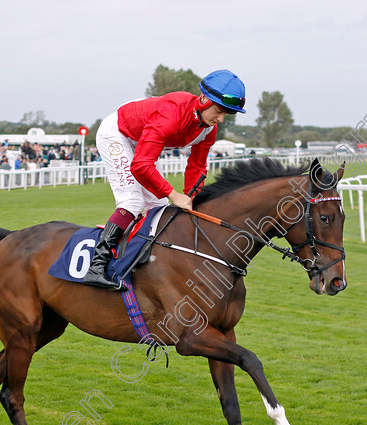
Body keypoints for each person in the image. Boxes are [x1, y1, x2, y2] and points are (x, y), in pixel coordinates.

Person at [82, 69, 246, 290]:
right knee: (133, 201)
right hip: (117, 133)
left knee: (159, 207)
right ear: (204, 99)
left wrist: (192, 200)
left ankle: (141, 261)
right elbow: (140, 165)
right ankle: (96, 266)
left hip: (142, 137)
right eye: (218, 111)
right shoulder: (171, 114)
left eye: (228, 114)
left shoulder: (209, 129)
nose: (221, 119)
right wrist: (174, 194)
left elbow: (196, 166)